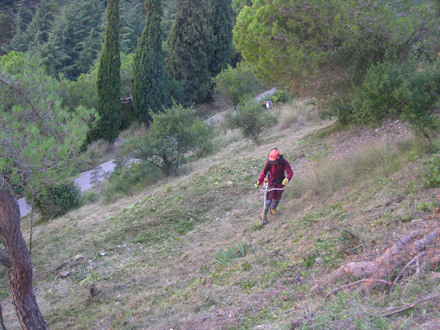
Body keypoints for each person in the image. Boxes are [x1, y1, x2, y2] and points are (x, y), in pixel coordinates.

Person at [254, 148, 293, 225]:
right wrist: (259, 181)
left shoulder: (283, 162)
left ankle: (272, 209)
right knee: (269, 198)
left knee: (278, 196)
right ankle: (264, 215)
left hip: (280, 182)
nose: (272, 162)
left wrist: (287, 179)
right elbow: (264, 172)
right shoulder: (269, 163)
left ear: (278, 158)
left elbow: (290, 172)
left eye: (273, 161)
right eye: (270, 161)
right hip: (271, 182)